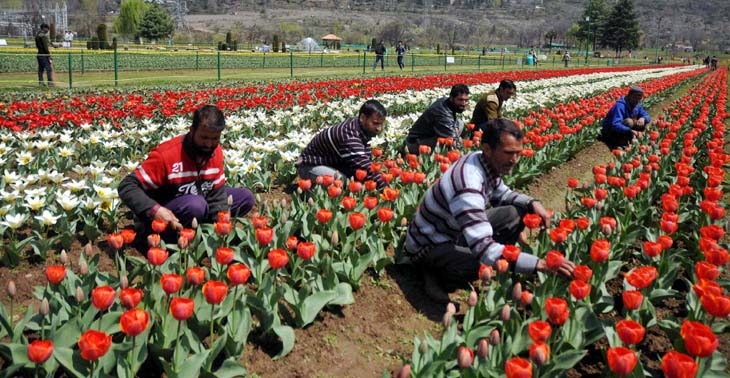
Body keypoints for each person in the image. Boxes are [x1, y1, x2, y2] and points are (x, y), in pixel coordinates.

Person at [404, 119, 575, 302]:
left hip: (454, 231)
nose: (514, 160)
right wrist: (539, 264)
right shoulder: (468, 185)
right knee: (483, 263)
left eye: (518, 153)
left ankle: (492, 260)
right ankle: (434, 274)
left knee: (514, 213)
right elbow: (484, 249)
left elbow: (503, 194)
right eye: (509, 153)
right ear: (487, 148)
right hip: (430, 244)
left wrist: (533, 203)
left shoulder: (482, 159)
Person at [118, 105, 255, 235]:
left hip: (197, 200)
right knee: (196, 205)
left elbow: (216, 194)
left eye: (215, 138)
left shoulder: (216, 151)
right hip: (166, 209)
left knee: (245, 197)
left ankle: (201, 231)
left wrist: (220, 227)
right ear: (192, 130)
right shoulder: (167, 155)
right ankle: (165, 235)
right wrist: (155, 210)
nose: (209, 144)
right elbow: (127, 186)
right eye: (204, 137)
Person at [296, 99, 387, 188]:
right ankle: (311, 193)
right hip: (309, 166)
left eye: (380, 124)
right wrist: (386, 188)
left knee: (356, 177)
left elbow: (364, 160)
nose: (378, 128)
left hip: (331, 163)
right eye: (375, 123)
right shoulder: (349, 134)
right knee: (343, 182)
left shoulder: (359, 126)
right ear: (363, 118)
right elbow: (364, 167)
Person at [404, 84, 470, 154]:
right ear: (451, 98)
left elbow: (453, 124)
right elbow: (453, 141)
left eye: (466, 100)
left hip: (429, 135)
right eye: (460, 100)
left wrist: (455, 129)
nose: (464, 103)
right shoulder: (442, 113)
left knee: (459, 123)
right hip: (415, 143)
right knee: (449, 143)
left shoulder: (446, 102)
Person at [599, 86, 651, 150]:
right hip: (610, 130)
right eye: (635, 98)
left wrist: (643, 118)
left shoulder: (637, 104)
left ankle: (631, 138)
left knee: (642, 123)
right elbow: (616, 124)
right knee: (629, 122)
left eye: (639, 98)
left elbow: (646, 116)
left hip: (624, 127)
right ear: (629, 95)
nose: (637, 101)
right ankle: (620, 141)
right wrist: (630, 131)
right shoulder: (620, 105)